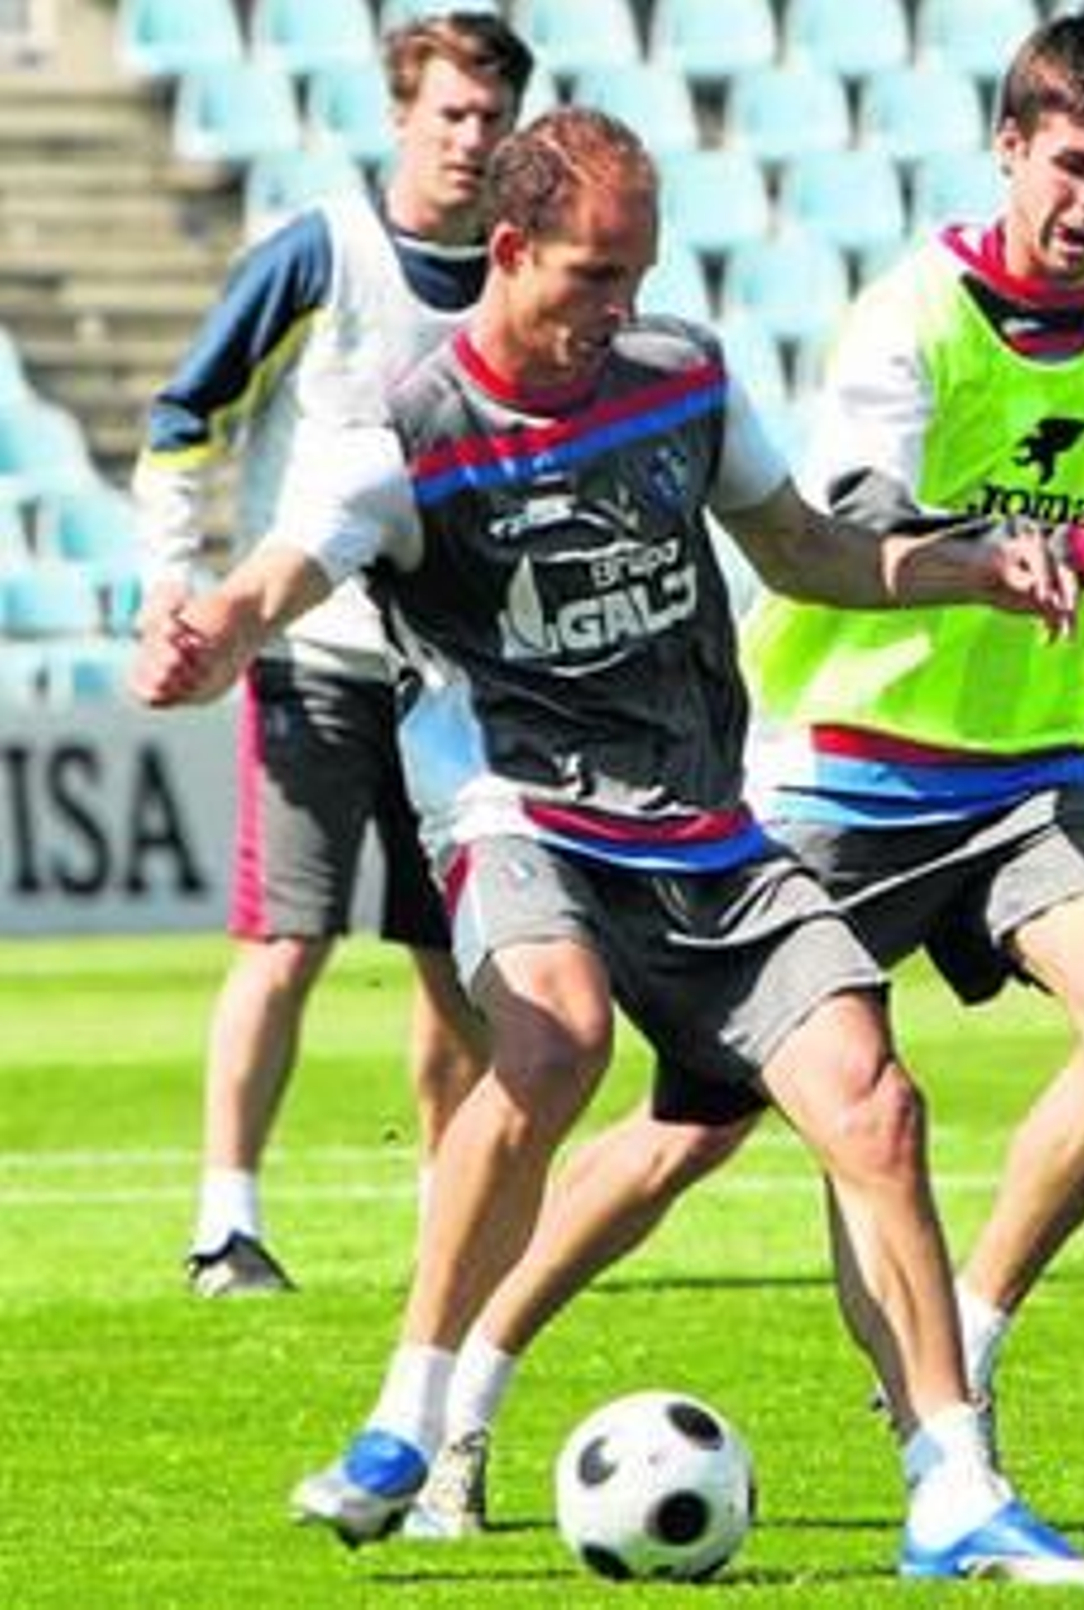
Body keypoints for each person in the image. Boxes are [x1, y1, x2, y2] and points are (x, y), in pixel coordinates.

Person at [387, 1, 1084, 1540]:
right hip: (840, 766)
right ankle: (471, 1392)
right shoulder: (914, 309)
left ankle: (954, 1352)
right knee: (691, 1132)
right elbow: (846, 509)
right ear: (1008, 148)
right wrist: (1030, 548)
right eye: (1071, 164)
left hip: (1032, 767)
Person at [131, 105, 1084, 1587]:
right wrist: (211, 632)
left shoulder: (681, 378)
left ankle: (953, 1486)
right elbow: (278, 580)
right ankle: (408, 1420)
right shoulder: (395, 437)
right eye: (596, 276)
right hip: (516, 803)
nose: (622, 308)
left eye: (639, 275)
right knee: (554, 1042)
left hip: (703, 821)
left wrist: (969, 566)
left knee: (874, 1102)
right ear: (514, 250)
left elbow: (801, 547)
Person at [133, 12, 535, 1295]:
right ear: (400, 118)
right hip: (311, 648)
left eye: (490, 117)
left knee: (454, 962)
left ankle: (447, 1213)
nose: (470, 139)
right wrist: (175, 584)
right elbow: (186, 411)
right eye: (450, 115)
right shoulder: (322, 250)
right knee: (285, 940)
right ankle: (223, 1220)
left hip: (454, 674)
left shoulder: (524, 265)